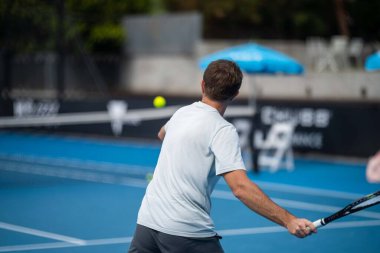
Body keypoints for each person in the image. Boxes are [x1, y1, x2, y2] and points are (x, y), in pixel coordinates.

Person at [128, 60, 316, 253]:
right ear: (235, 94)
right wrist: (289, 220)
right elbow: (240, 188)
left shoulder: (182, 113)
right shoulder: (222, 130)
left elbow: (162, 134)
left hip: (147, 222)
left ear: (202, 85)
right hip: (185, 231)